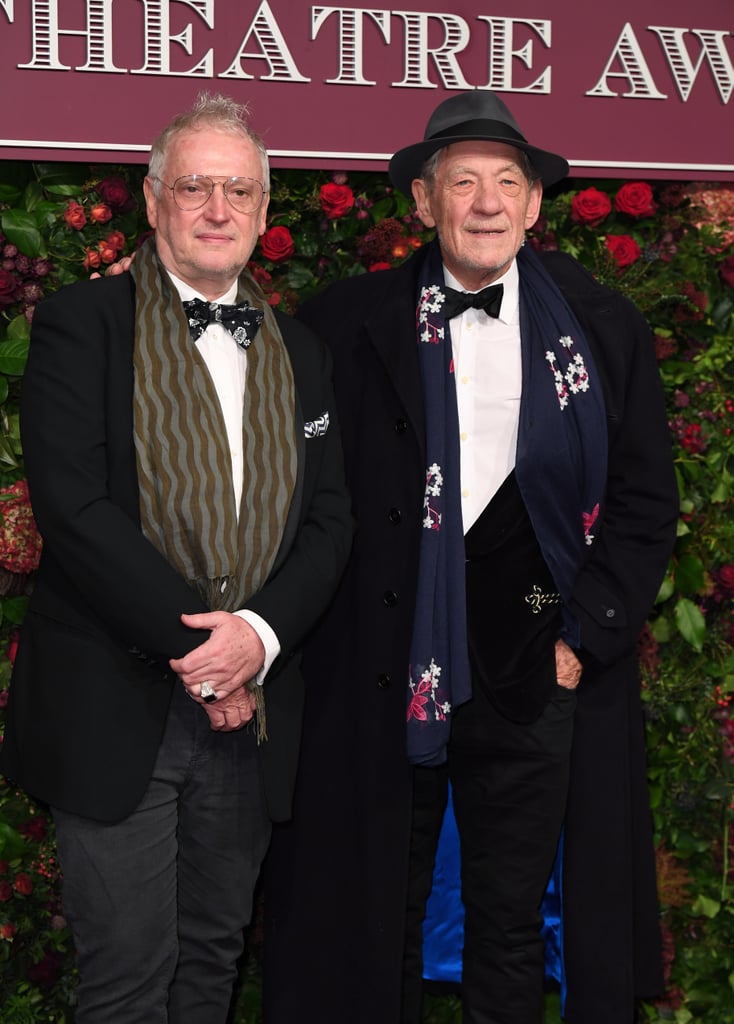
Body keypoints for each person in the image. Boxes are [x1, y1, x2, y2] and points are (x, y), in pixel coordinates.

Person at [263, 91, 679, 1024]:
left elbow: (647, 502)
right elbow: (300, 492)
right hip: (384, 669)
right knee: (376, 914)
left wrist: (587, 639)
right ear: (422, 201)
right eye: (463, 183)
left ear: (535, 205)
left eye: (507, 183)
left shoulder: (603, 327)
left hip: (535, 672)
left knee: (508, 918)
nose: (486, 203)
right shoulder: (342, 322)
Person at [0, 93, 352, 1024]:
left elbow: (329, 521)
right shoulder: (82, 326)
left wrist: (260, 641)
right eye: (194, 185)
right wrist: (210, 655)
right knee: (125, 983)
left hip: (253, 721)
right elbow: (76, 513)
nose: (217, 208)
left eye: (239, 190)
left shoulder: (303, 352)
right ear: (152, 199)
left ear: (266, 213)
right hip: (119, 709)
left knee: (211, 969)